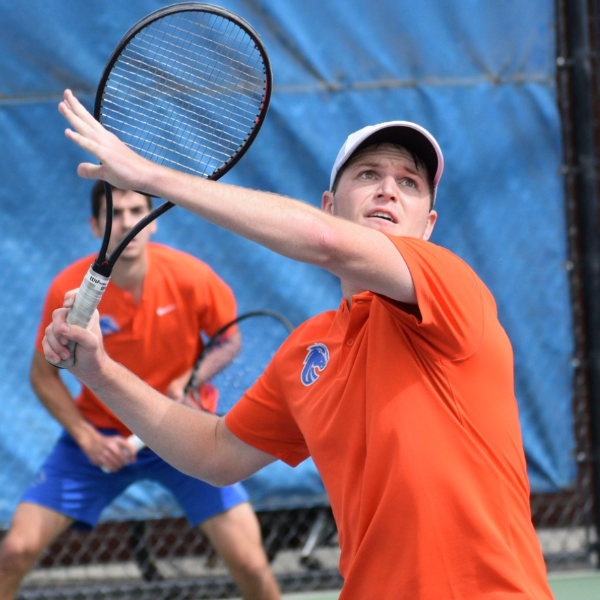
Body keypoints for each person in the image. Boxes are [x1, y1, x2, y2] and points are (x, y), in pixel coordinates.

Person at [42, 89, 555, 599]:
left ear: (428, 226)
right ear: (329, 205)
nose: (388, 190)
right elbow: (216, 454)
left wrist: (148, 176)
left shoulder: (452, 289)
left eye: (409, 182)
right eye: (368, 175)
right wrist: (99, 372)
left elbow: (325, 242)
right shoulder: (308, 352)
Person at [0, 179, 281, 600]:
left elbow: (229, 341)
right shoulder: (70, 290)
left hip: (185, 431)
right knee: (14, 552)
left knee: (252, 566)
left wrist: (192, 380)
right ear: (95, 226)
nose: (127, 223)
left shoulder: (191, 277)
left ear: (153, 222)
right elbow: (43, 375)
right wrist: (88, 439)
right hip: (101, 437)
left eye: (137, 212)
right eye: (114, 214)